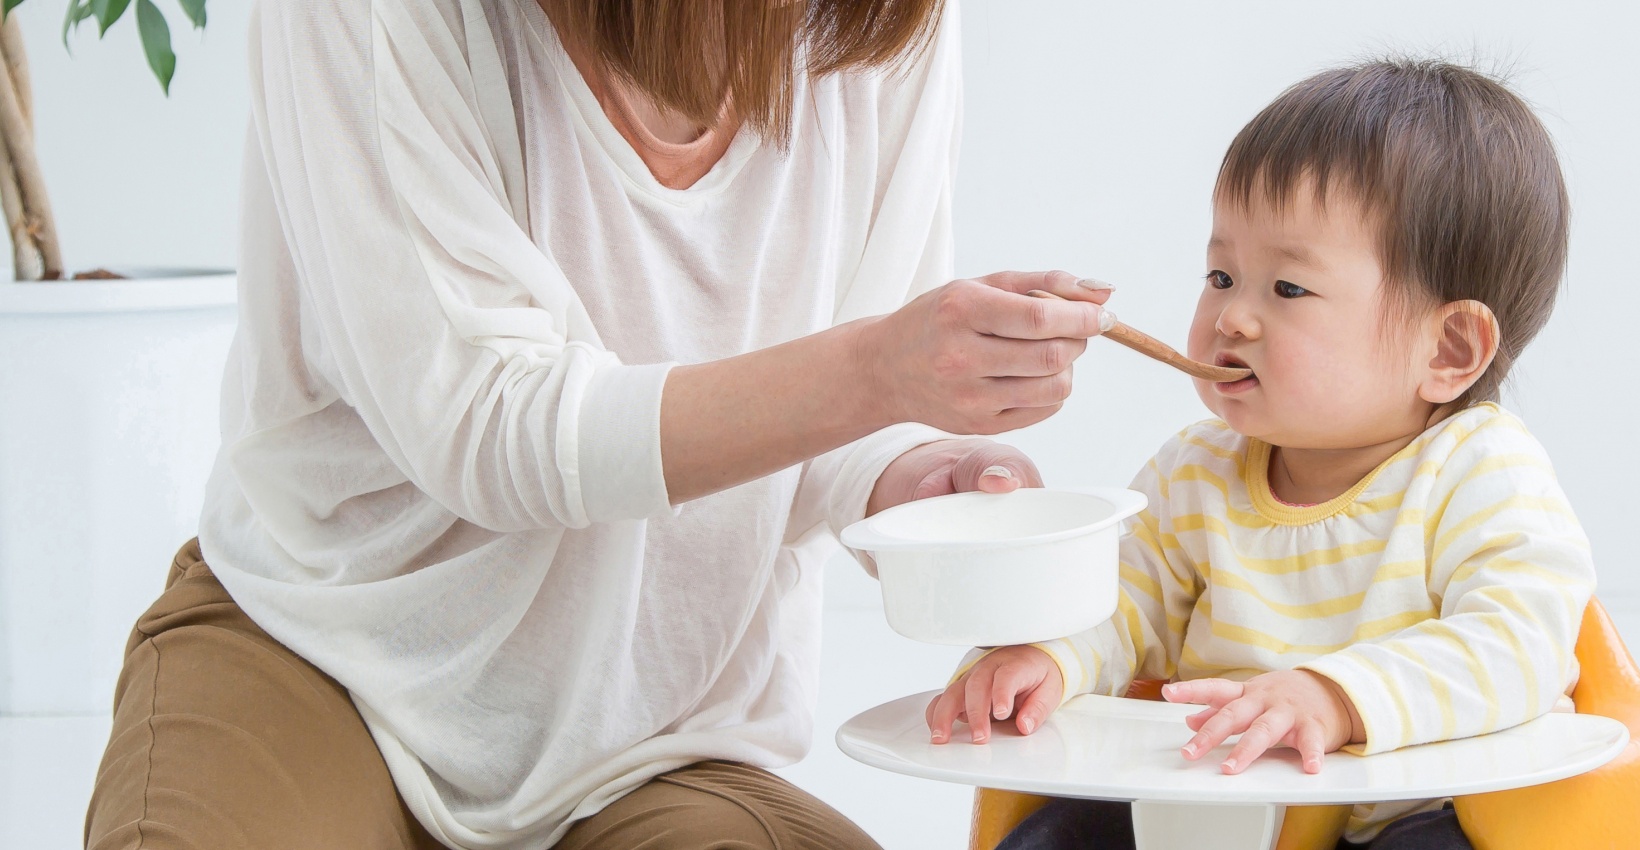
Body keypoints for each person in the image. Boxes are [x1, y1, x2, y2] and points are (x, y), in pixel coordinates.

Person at [83, 1, 1118, 849]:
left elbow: (835, 425)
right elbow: (484, 427)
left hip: (654, 733)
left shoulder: (877, 27)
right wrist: (877, 369)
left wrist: (925, 474)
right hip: (326, 653)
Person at [927, 58, 1598, 850]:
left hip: (1400, 811)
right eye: (1221, 275)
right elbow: (1120, 604)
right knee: (1056, 833)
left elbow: (1518, 646)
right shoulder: (1195, 471)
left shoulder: (1481, 470)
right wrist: (1051, 655)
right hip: (1210, 808)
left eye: (1287, 289)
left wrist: (1336, 696)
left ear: (1448, 347)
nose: (1232, 318)